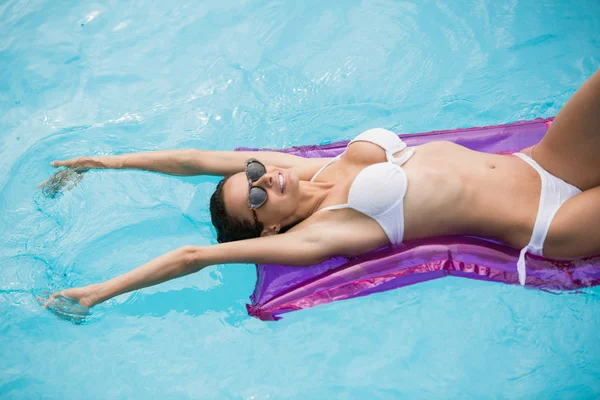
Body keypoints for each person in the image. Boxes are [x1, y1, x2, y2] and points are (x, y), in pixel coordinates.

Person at [43, 69, 600, 316]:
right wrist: (98, 292)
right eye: (256, 200)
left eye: (254, 173)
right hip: (553, 221)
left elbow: (199, 158)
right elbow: (196, 256)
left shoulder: (309, 168)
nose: (263, 180)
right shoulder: (328, 231)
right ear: (272, 229)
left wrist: (102, 162)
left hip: (542, 160)